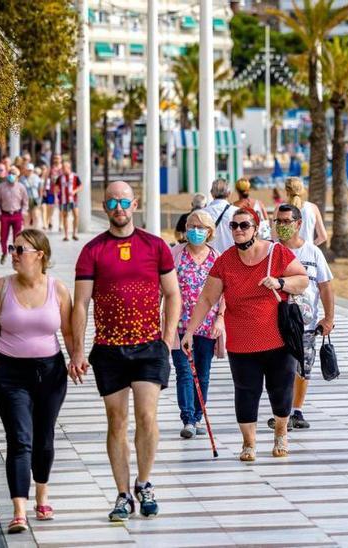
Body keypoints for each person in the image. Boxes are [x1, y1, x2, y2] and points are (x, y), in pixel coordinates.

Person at [70, 181, 181, 522]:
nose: (119, 207)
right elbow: (80, 304)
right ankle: (122, 495)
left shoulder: (155, 246)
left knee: (147, 417)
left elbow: (172, 293)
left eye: (124, 201)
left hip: (149, 346)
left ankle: (144, 483)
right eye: (112, 202)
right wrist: (76, 350)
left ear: (135, 204)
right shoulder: (92, 250)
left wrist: (167, 338)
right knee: (116, 422)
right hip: (108, 349)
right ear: (105, 207)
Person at [181, 209, 309, 462]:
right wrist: (190, 331)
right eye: (234, 226)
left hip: (278, 338)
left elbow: (302, 279)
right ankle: (248, 443)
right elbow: (207, 298)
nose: (239, 230)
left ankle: (281, 434)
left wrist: (280, 283)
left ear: (256, 227)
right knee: (245, 391)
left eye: (244, 225)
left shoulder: (276, 252)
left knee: (280, 389)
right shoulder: (226, 261)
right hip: (241, 342)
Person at [0, 229, 74, 534]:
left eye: (20, 250)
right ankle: (19, 509)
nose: (14, 254)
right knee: (20, 439)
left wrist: (76, 359)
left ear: (39, 256)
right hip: (10, 373)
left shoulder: (57, 289)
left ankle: (42, 494)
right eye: (12, 249)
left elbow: (69, 332)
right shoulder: (1, 287)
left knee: (43, 439)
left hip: (51, 373)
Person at [267, 203, 334, 431]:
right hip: (275, 323)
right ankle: (281, 411)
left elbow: (325, 286)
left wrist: (329, 318)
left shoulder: (313, 253)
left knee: (303, 368)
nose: (283, 226)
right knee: (279, 370)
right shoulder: (270, 251)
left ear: (299, 224)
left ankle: (297, 410)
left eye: (287, 221)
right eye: (279, 222)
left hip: (306, 323)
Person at [169, 209, 225, 440]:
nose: (196, 231)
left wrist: (221, 318)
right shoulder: (176, 254)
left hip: (207, 325)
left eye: (201, 228)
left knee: (202, 373)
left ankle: (198, 416)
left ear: (209, 231)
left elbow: (225, 292)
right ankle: (188, 419)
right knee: (183, 372)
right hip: (179, 325)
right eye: (192, 227)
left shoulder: (217, 257)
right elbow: (165, 288)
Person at [0, 169, 29, 264]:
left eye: (14, 174)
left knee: (17, 236)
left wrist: (24, 211)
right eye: (10, 173)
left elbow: (25, 200)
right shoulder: (1, 187)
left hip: (17, 213)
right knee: (3, 236)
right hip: (5, 214)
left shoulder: (21, 187)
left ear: (17, 176)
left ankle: (16, 254)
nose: (11, 176)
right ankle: (4, 252)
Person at [282, 177, 328, 246]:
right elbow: (323, 236)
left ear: (286, 191)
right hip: (307, 254)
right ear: (302, 190)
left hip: (287, 253)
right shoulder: (313, 208)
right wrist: (311, 247)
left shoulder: (280, 208)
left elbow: (274, 236)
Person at [201, 179, 238, 253]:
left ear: (211, 193)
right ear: (229, 193)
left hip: (210, 257)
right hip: (232, 256)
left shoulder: (202, 213)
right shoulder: (237, 212)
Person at [19, 163, 45, 231]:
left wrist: (40, 199)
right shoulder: (22, 179)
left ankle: (34, 230)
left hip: (35, 199)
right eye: (28, 170)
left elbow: (40, 189)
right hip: (25, 199)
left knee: (36, 215)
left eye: (31, 170)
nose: (29, 171)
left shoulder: (37, 178)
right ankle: (27, 231)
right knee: (26, 217)